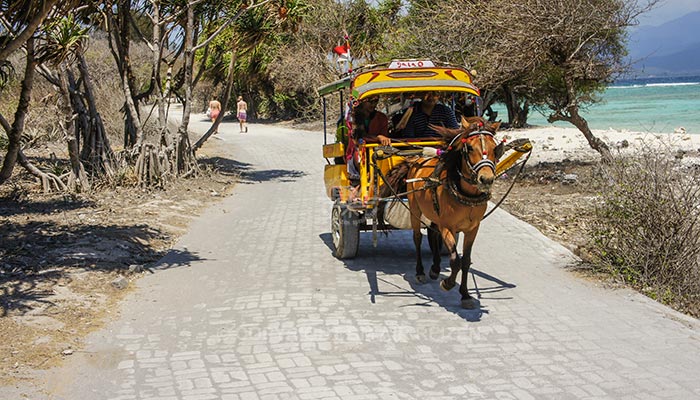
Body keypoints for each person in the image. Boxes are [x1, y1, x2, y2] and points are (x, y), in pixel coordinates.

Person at [346, 95, 391, 185]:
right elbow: (357, 137)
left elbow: (384, 136)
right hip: (358, 151)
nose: (373, 104)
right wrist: (377, 138)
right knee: (359, 154)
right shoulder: (353, 116)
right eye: (370, 101)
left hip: (377, 151)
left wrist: (382, 139)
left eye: (376, 101)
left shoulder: (381, 118)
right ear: (362, 102)